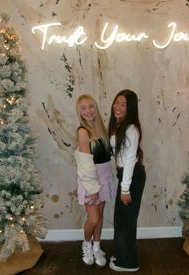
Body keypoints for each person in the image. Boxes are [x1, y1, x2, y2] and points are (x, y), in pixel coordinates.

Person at [74, 94, 115, 268]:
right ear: (79, 112)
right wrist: (93, 189)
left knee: (100, 215)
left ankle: (97, 246)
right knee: (94, 219)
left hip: (104, 177)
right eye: (83, 108)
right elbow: (85, 163)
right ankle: (86, 244)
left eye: (91, 106)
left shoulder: (102, 129)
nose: (88, 111)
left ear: (95, 108)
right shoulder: (83, 131)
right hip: (91, 180)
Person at [108, 89, 146, 272]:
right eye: (116, 102)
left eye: (123, 104)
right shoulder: (118, 124)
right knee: (121, 219)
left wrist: (125, 189)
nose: (118, 106)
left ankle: (128, 263)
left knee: (125, 221)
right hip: (126, 176)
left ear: (130, 107)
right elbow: (116, 152)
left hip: (132, 177)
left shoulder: (131, 128)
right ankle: (123, 254)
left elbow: (130, 160)